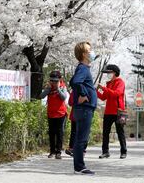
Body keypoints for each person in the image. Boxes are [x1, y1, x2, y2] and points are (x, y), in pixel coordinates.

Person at [70, 41, 98, 175]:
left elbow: (71, 81)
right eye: (89, 50)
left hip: (84, 108)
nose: (92, 52)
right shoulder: (83, 68)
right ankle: (79, 167)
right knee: (81, 138)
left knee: (81, 137)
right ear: (83, 54)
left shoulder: (83, 68)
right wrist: (83, 94)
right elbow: (75, 82)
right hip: (84, 108)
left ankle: (79, 166)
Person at [97, 64, 127, 159]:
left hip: (119, 111)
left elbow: (116, 94)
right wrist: (96, 91)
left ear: (115, 73)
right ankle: (105, 152)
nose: (107, 74)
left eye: (109, 72)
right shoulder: (108, 83)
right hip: (108, 112)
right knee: (105, 132)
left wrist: (104, 88)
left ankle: (123, 152)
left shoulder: (120, 82)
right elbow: (103, 97)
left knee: (120, 132)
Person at [39, 71, 68, 160]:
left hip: (61, 114)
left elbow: (63, 97)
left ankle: (58, 152)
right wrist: (48, 89)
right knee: (51, 133)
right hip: (51, 113)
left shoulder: (63, 87)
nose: (54, 83)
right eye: (52, 81)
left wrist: (58, 88)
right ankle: (52, 151)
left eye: (56, 81)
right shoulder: (49, 88)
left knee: (59, 133)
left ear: (59, 80)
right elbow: (41, 96)